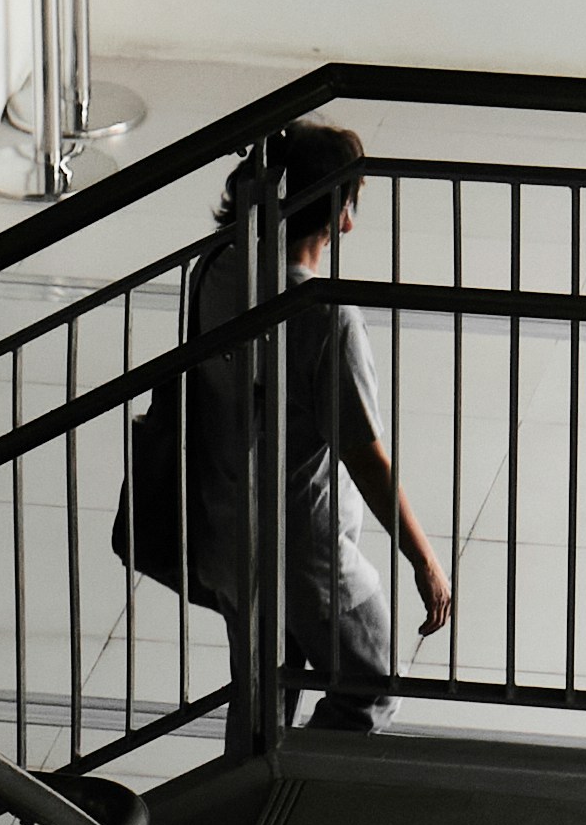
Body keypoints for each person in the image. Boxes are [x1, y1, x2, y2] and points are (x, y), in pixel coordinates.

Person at [115, 121, 456, 728]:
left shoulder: (216, 267)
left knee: (261, 708)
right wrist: (425, 560)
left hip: (227, 529)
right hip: (306, 553)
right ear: (340, 217)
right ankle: (302, 805)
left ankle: (249, 811)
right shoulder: (325, 319)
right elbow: (366, 458)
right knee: (371, 687)